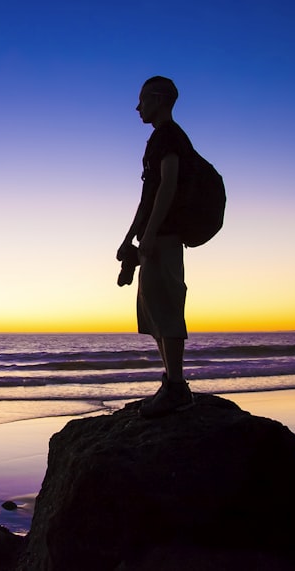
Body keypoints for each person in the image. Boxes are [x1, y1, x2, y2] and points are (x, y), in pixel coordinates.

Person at [117, 76, 195, 418]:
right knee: (153, 311)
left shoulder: (169, 136)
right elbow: (147, 196)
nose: (138, 107)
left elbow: (168, 186)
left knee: (166, 305)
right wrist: (128, 236)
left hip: (164, 235)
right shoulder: (157, 139)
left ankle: (176, 387)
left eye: (143, 100)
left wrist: (149, 235)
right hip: (153, 234)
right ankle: (171, 383)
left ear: (159, 99)